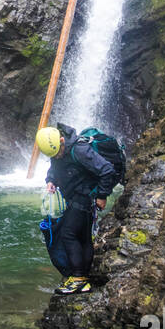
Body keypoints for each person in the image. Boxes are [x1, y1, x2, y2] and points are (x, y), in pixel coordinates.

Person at [35, 124, 117, 294]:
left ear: (62, 140)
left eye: (58, 152)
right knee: (84, 237)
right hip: (72, 198)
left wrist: (102, 195)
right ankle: (83, 279)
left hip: (84, 197)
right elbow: (55, 168)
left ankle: (78, 277)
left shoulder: (79, 150)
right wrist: (51, 180)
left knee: (68, 234)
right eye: (53, 155)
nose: (57, 156)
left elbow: (107, 170)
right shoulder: (56, 150)